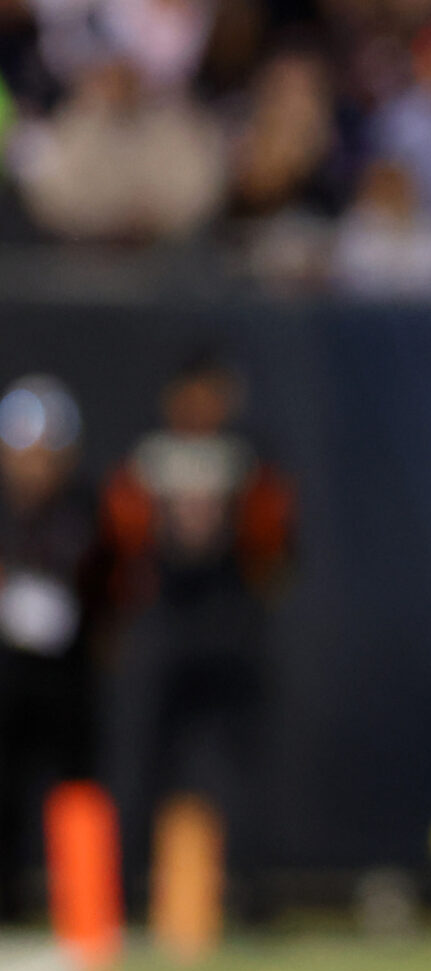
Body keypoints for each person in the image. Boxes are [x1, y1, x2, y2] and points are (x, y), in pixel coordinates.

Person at [100, 352, 295, 901]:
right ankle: (129, 891)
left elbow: (274, 544)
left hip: (224, 624)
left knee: (236, 773)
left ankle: (248, 889)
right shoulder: (155, 457)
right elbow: (121, 541)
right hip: (171, 621)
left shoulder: (247, 458)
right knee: (144, 766)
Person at [0, 377, 104, 924]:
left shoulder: (82, 508)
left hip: (67, 673)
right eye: (23, 452)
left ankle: (85, 912)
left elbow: (94, 584)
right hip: (7, 674)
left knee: (76, 788)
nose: (33, 466)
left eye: (45, 453)